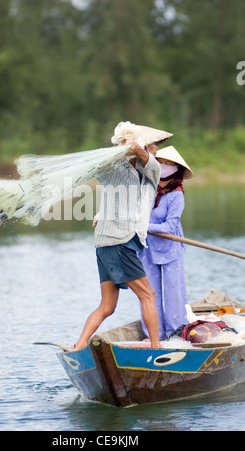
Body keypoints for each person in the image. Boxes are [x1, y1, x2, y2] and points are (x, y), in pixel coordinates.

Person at [74, 121, 173, 350]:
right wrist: (133, 148)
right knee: (148, 294)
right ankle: (157, 348)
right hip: (119, 242)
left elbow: (148, 167)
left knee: (108, 306)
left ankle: (79, 345)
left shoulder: (149, 169)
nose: (156, 149)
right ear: (143, 145)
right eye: (154, 145)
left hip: (104, 243)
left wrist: (138, 149)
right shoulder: (116, 168)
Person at [138, 145, 193, 340]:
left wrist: (146, 226)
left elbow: (170, 227)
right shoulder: (148, 188)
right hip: (147, 248)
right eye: (160, 162)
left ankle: (175, 334)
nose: (163, 166)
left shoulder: (176, 194)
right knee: (149, 293)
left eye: (168, 164)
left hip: (170, 248)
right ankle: (154, 335)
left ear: (176, 168)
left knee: (173, 294)